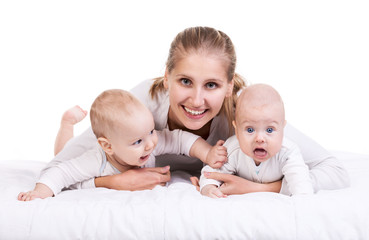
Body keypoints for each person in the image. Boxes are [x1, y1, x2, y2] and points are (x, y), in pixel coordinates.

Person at [41, 26, 350, 194]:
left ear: (230, 87)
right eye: (186, 81)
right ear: (167, 77)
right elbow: (55, 169)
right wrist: (111, 181)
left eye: (212, 85)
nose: (197, 100)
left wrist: (264, 188)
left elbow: (334, 171)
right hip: (105, 159)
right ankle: (66, 125)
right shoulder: (141, 106)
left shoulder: (246, 114)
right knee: (68, 147)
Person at [18, 89, 227, 201]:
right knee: (64, 151)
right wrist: (39, 192)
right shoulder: (95, 161)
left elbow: (180, 139)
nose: (150, 144)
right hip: (86, 164)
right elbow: (60, 173)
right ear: (108, 147)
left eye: (151, 131)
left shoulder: (148, 141)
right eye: (137, 141)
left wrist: (208, 153)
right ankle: (67, 124)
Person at [200, 84, 314, 198]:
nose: (259, 138)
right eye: (250, 130)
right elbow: (210, 173)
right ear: (237, 129)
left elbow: (301, 184)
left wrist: (302, 198)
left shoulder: (288, 153)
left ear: (282, 128)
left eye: (269, 130)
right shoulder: (232, 149)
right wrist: (208, 187)